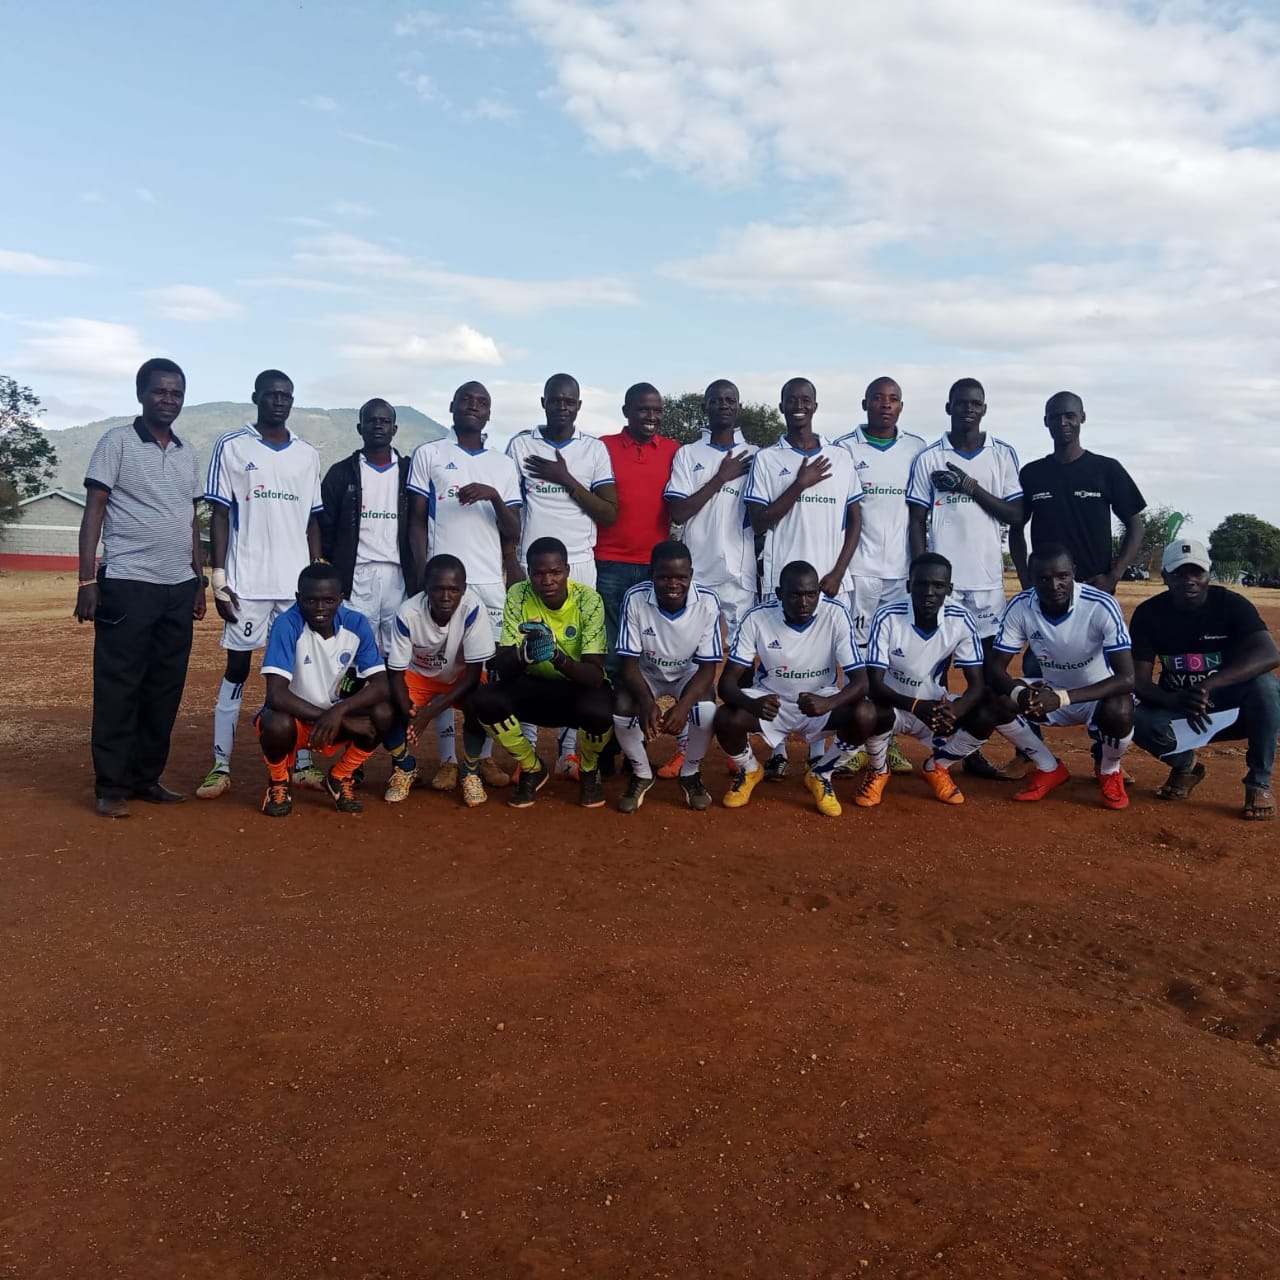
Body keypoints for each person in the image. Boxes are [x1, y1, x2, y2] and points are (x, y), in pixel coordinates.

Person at [74, 357, 206, 818]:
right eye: (160, 391)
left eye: (176, 393)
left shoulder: (188, 452)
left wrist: (198, 580)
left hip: (177, 587)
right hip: (128, 584)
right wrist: (87, 579)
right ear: (141, 394)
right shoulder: (117, 442)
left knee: (164, 689)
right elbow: (94, 510)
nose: (169, 400)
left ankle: (146, 778)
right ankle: (111, 786)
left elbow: (190, 521)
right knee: (119, 687)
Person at [197, 370, 323, 799]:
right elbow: (219, 513)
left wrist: (316, 572)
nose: (279, 401)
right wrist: (219, 578)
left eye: (286, 395)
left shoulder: (307, 454)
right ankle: (220, 766)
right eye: (271, 394)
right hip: (246, 584)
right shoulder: (232, 446)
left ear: (292, 400)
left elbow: (313, 520)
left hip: (294, 591)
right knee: (237, 670)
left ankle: (302, 764)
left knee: (301, 674)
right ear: (256, 397)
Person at [744, 377, 864, 782]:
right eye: (791, 400)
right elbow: (759, 521)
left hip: (829, 582)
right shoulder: (767, 460)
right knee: (777, 660)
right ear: (781, 406)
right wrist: (799, 484)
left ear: (815, 405)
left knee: (826, 663)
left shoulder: (841, 458)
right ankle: (777, 750)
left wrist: (839, 571)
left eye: (805, 399)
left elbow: (855, 521)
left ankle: (818, 752)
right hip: (782, 583)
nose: (799, 405)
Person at [406, 381, 519, 792]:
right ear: (452, 406)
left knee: (484, 674)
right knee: (442, 668)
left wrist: (494, 496)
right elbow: (416, 522)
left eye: (482, 402)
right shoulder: (430, 454)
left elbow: (514, 531)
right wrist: (422, 576)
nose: (474, 406)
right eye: (467, 400)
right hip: (442, 585)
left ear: (489, 413)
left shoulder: (503, 465)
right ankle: (449, 761)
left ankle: (480, 757)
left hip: (487, 583)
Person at [906, 377, 1022, 779]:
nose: (968, 409)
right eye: (961, 403)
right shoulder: (929, 457)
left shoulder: (1002, 454)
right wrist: (919, 573)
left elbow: (1016, 514)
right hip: (941, 589)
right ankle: (933, 747)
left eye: (975, 403)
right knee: (933, 671)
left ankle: (968, 749)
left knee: (985, 676)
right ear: (948, 407)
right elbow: (916, 520)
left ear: (984, 409)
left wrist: (970, 486)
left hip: (987, 585)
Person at [506, 373, 618, 777]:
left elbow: (609, 512)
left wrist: (566, 478)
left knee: (575, 654)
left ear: (579, 406)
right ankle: (529, 751)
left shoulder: (594, 450)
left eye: (570, 401)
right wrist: (511, 560)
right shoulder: (521, 445)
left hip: (580, 565)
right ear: (544, 402)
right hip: (532, 568)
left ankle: (569, 751)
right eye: (556, 400)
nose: (562, 407)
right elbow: (511, 508)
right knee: (530, 650)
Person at [1129, 539, 1280, 820]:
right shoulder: (1148, 614)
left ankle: (1259, 784)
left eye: (1196, 572)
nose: (1189, 580)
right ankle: (1186, 765)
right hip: (1180, 709)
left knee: (1267, 686)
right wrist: (1173, 699)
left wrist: (1207, 686)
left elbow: (1270, 654)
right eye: (1179, 572)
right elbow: (1139, 681)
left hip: (1231, 710)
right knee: (1129, 716)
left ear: (1208, 574)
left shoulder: (1231, 604)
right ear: (1165, 576)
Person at [713, 560, 876, 817]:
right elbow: (726, 685)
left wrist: (828, 703)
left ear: (818, 593)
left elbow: (861, 682)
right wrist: (753, 704)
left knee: (866, 714)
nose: (804, 603)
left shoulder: (835, 614)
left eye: (811, 594)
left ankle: (822, 773)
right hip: (772, 704)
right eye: (795, 595)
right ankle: (750, 769)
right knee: (724, 717)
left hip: (820, 701)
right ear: (780, 594)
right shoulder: (757, 617)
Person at [985, 544, 1136, 810]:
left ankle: (1110, 769)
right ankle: (1049, 767)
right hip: (1049, 691)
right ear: (1031, 578)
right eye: (1043, 578)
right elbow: (995, 667)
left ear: (1074, 572)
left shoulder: (1101, 604)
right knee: (995, 698)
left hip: (1095, 696)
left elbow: (1127, 678)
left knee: (1120, 707)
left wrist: (1062, 698)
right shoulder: (1021, 605)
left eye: (1062, 576)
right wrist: (1021, 693)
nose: (1054, 585)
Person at [661, 378, 758, 779]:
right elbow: (679, 512)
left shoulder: (756, 455)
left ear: (739, 407)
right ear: (705, 407)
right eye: (715, 400)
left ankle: (741, 750)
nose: (723, 405)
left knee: (742, 667)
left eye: (730, 400)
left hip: (740, 577)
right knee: (692, 665)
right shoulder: (689, 454)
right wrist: (720, 477)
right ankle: (687, 749)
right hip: (696, 575)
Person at [472, 537, 614, 809]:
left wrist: (558, 657)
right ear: (529, 573)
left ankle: (588, 769)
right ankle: (531, 767)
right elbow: (503, 667)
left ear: (567, 570)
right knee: (485, 700)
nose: (547, 580)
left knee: (600, 710)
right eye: (538, 573)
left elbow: (595, 676)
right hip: (533, 687)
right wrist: (525, 655)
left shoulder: (589, 600)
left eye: (555, 572)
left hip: (575, 690)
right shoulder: (518, 594)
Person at [834, 375, 927, 777]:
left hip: (901, 575)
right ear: (865, 404)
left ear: (901, 406)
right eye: (878, 398)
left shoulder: (917, 449)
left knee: (890, 662)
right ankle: (855, 742)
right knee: (856, 660)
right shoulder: (843, 449)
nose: (886, 405)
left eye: (893, 399)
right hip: (859, 573)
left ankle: (885, 740)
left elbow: (920, 515)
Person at [256, 563, 393, 818]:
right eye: (311, 600)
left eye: (329, 600)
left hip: (333, 717)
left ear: (341, 598)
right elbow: (276, 695)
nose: (320, 608)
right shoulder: (287, 624)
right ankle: (279, 781)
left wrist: (339, 712)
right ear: (298, 598)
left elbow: (382, 684)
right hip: (295, 719)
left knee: (385, 713)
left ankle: (340, 776)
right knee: (275, 723)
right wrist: (332, 718)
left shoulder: (356, 624)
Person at [856, 553, 990, 808]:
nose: (929, 592)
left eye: (938, 585)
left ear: (949, 589)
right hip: (893, 706)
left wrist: (956, 710)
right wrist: (917, 706)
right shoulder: (887, 615)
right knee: (867, 712)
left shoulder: (961, 619)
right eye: (921, 584)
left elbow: (976, 685)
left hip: (935, 709)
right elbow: (874, 684)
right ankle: (878, 770)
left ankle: (938, 766)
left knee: (985, 714)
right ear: (909, 585)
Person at [612, 540, 721, 813]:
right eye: (664, 577)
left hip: (688, 673)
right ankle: (641, 773)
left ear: (691, 574)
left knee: (706, 709)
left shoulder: (708, 601)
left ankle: (690, 772)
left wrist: (683, 706)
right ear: (652, 574)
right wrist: (646, 702)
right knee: (622, 705)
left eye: (681, 577)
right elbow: (628, 663)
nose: (673, 584)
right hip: (646, 672)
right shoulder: (635, 598)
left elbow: (708, 668)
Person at [384, 554, 496, 807]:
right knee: (385, 708)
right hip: (419, 676)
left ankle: (470, 772)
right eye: (438, 589)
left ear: (464, 589)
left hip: (460, 677)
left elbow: (473, 674)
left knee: (482, 701)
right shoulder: (407, 613)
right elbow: (396, 672)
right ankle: (405, 767)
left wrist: (428, 714)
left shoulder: (473, 608)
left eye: (453, 589)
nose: (446, 596)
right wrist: (408, 710)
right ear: (426, 588)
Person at [1009, 391, 1146, 593]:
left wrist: (1113, 576)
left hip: (1095, 588)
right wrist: (1024, 576)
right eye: (1055, 417)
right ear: (1046, 421)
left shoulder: (1107, 469)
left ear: (1082, 417)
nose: (1062, 422)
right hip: (1046, 591)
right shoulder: (1031, 473)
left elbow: (1136, 527)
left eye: (1069, 416)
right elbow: (1015, 528)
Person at [318, 398, 415, 654]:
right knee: (353, 649)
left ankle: (392, 683)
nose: (378, 426)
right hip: (356, 576)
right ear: (360, 428)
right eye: (371, 421)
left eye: (385, 421)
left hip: (400, 577)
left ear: (394, 429)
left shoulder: (411, 472)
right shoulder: (341, 473)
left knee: (398, 650)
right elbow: (324, 524)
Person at [594, 383, 681, 664]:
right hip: (608, 560)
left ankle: (642, 690)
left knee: (649, 638)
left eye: (657, 410)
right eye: (643, 409)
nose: (651, 416)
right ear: (626, 411)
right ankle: (612, 691)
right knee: (610, 638)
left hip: (655, 565)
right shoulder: (602, 447)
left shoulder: (674, 450)